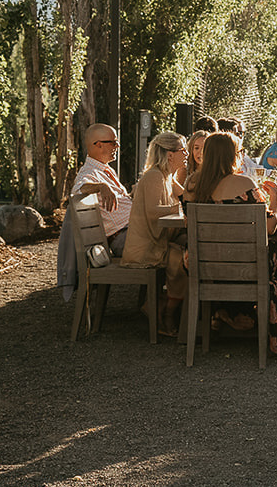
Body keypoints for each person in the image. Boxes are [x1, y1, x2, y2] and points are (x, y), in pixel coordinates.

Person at [183, 131, 277, 356]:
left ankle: (226, 313)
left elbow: (187, 225)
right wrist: (275, 199)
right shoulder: (244, 183)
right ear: (232, 156)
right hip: (247, 265)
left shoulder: (193, 184)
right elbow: (270, 227)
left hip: (203, 265)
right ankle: (276, 324)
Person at [122, 131, 189, 337]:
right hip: (147, 249)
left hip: (160, 241)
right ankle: (166, 313)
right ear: (169, 154)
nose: (186, 154)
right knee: (183, 259)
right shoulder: (154, 176)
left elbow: (187, 198)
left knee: (193, 248)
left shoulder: (168, 176)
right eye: (182, 150)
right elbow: (154, 211)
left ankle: (163, 305)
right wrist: (180, 209)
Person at [72, 123, 132, 254]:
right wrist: (102, 186)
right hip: (124, 237)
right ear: (99, 144)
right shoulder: (89, 172)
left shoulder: (105, 170)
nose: (118, 146)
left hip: (132, 230)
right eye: (113, 143)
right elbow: (78, 189)